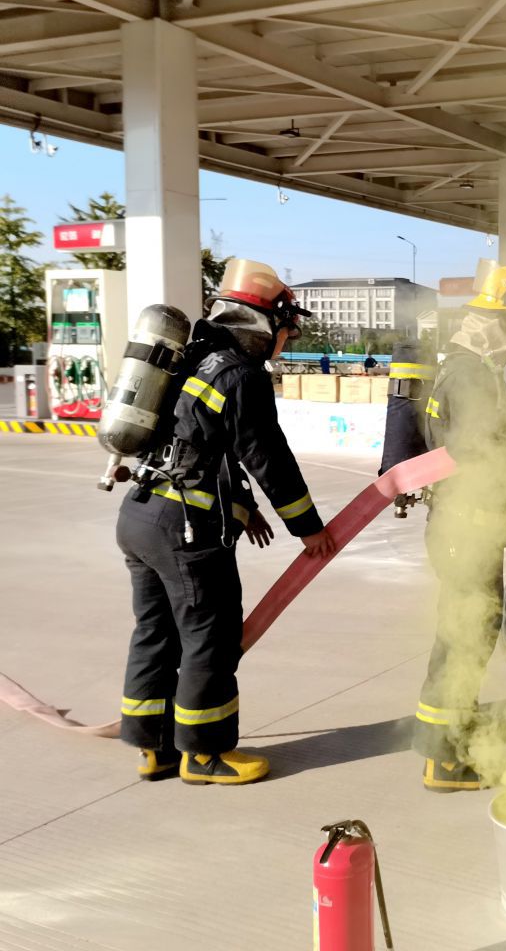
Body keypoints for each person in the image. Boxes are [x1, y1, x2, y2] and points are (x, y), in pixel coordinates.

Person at [117, 259, 336, 785]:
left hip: (140, 514)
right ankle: (204, 754)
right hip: (185, 530)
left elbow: (197, 444)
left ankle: (153, 748)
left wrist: (244, 505)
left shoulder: (192, 357)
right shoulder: (240, 374)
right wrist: (307, 526)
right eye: (286, 329)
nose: (287, 339)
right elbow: (268, 457)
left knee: (155, 633)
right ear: (265, 322)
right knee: (208, 638)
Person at [378, 265, 506, 791]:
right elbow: (480, 446)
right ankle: (444, 760)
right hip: (465, 529)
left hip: (464, 525)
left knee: (465, 636)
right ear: (505, 320)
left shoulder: (470, 369)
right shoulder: (470, 375)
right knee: (465, 639)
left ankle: (447, 742)